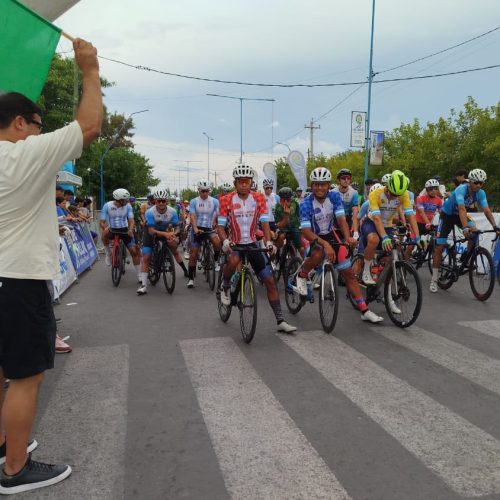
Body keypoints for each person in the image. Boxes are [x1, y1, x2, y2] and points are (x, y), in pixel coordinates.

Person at [0, 38, 102, 493]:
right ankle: (14, 470)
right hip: (17, 279)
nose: (40, 135)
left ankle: (5, 446)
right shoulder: (23, 154)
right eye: (36, 126)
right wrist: (90, 68)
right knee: (24, 376)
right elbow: (89, 124)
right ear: (19, 123)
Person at [217, 165, 296, 333]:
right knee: (233, 260)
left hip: (252, 242)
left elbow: (265, 223)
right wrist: (224, 241)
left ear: (251, 182)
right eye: (241, 181)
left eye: (247, 181)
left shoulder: (259, 198)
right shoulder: (226, 200)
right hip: (235, 242)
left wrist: (268, 242)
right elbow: (221, 226)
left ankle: (280, 320)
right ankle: (224, 286)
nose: (244, 184)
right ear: (235, 183)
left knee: (269, 280)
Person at [298, 167, 383, 323]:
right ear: (312, 185)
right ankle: (302, 275)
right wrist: (324, 244)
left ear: (329, 185)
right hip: (312, 234)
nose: (319, 188)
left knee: (349, 273)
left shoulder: (335, 197)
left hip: (330, 233)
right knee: (317, 254)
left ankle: (364, 310)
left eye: (323, 184)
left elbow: (341, 219)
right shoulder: (305, 203)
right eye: (316, 184)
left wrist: (347, 237)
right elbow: (305, 230)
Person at [430, 168, 500, 293]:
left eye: (481, 183)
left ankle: (464, 256)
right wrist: (465, 228)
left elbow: (486, 210)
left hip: (460, 214)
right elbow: (462, 209)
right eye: (476, 182)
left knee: (475, 233)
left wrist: (495, 227)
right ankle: (434, 280)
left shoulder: (481, 193)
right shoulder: (461, 189)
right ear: (470, 181)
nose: (478, 185)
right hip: (447, 215)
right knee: (440, 246)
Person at [360, 171, 422, 287]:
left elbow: (411, 216)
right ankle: (366, 271)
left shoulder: (403, 195)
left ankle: (381, 270)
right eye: (392, 193)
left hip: (387, 225)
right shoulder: (375, 194)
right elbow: (377, 218)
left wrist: (417, 236)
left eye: (397, 195)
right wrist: (384, 237)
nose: (394, 197)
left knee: (397, 247)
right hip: (371, 222)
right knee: (374, 240)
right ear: (387, 186)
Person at [137, 188, 188, 295]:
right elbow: (151, 231)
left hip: (165, 231)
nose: (161, 203)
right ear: (155, 201)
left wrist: (175, 233)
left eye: (163, 201)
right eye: (158, 201)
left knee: (173, 246)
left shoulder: (172, 211)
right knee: (146, 256)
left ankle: (178, 265)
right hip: (150, 232)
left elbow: (177, 227)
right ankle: (144, 285)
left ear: (167, 201)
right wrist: (166, 234)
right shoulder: (150, 212)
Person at [100, 188, 142, 281]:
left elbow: (131, 220)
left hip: (125, 230)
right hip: (112, 229)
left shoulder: (128, 206)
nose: (127, 201)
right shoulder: (107, 206)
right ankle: (108, 253)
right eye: (125, 200)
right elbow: (102, 221)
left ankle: (140, 275)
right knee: (104, 233)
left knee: (134, 251)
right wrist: (105, 228)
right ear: (118, 199)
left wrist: (130, 229)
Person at [186, 180, 221, 288]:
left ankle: (215, 261)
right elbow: (192, 215)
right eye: (202, 191)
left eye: (206, 191)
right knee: (194, 253)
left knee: (217, 242)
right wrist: (195, 228)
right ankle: (191, 278)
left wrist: (216, 225)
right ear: (199, 190)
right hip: (197, 228)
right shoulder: (194, 201)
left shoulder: (214, 201)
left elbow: (217, 214)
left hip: (208, 228)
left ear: (209, 191)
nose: (204, 193)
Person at [274, 187, 304, 258]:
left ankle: (305, 265)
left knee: (301, 248)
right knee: (281, 237)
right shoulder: (277, 207)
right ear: (280, 199)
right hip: (283, 228)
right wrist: (286, 216)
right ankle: (275, 255)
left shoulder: (295, 203)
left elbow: (299, 215)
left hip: (294, 227)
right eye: (283, 199)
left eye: (288, 199)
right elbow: (278, 224)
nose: (286, 202)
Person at [333, 168, 359, 237]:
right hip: (335, 221)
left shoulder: (354, 193)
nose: (346, 180)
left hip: (348, 221)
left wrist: (355, 230)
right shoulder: (332, 192)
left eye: (348, 178)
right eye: (343, 178)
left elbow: (355, 213)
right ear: (339, 180)